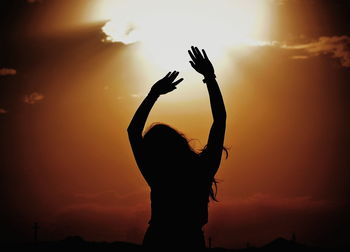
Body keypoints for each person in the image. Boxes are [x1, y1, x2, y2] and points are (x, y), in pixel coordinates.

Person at [127, 46, 227, 250]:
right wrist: (210, 77)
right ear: (179, 142)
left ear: (154, 151)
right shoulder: (202, 169)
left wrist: (153, 94)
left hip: (158, 240)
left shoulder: (157, 173)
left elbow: (132, 131)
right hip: (190, 241)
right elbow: (220, 120)